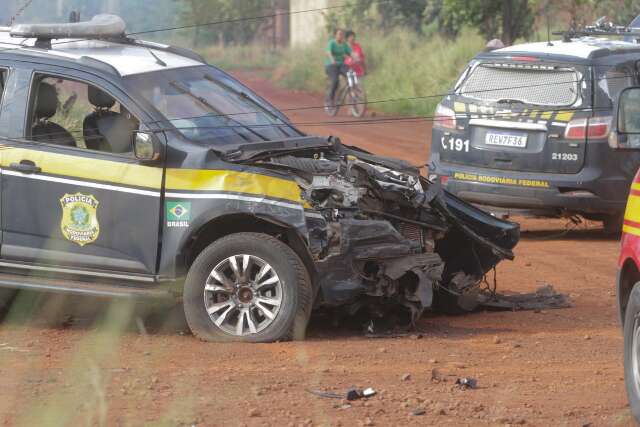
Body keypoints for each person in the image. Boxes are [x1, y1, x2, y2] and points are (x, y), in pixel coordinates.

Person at [325, 29, 352, 107]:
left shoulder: (344, 44)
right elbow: (329, 53)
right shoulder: (331, 43)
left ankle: (349, 93)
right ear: (335, 35)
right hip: (331, 65)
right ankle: (330, 99)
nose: (341, 36)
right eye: (339, 34)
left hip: (341, 65)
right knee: (335, 81)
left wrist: (356, 57)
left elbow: (351, 52)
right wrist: (332, 60)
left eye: (342, 34)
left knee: (350, 75)